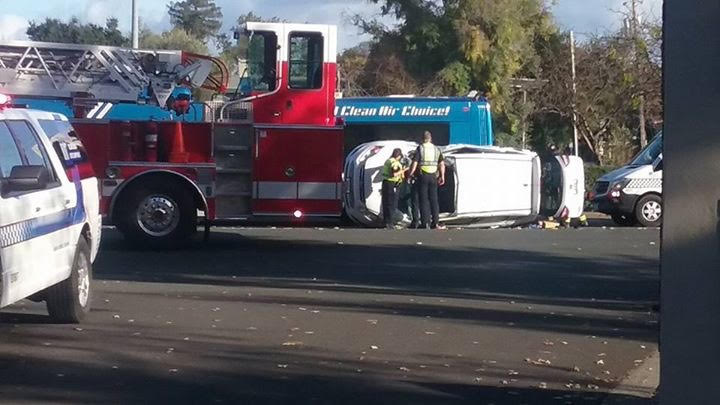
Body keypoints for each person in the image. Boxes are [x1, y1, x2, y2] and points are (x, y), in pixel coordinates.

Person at [408, 131, 446, 229]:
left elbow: (415, 163)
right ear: (431, 138)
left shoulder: (420, 148)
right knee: (434, 199)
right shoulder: (436, 149)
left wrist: (410, 174)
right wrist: (442, 176)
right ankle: (435, 222)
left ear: (422, 139)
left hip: (423, 175)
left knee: (424, 199)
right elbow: (441, 164)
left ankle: (425, 223)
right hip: (434, 175)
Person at [381, 148, 405, 229]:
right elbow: (394, 174)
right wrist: (404, 170)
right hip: (392, 184)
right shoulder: (394, 163)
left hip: (386, 183)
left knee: (386, 203)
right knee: (392, 204)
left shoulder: (388, 160)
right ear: (398, 156)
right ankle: (390, 223)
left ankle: (386, 222)